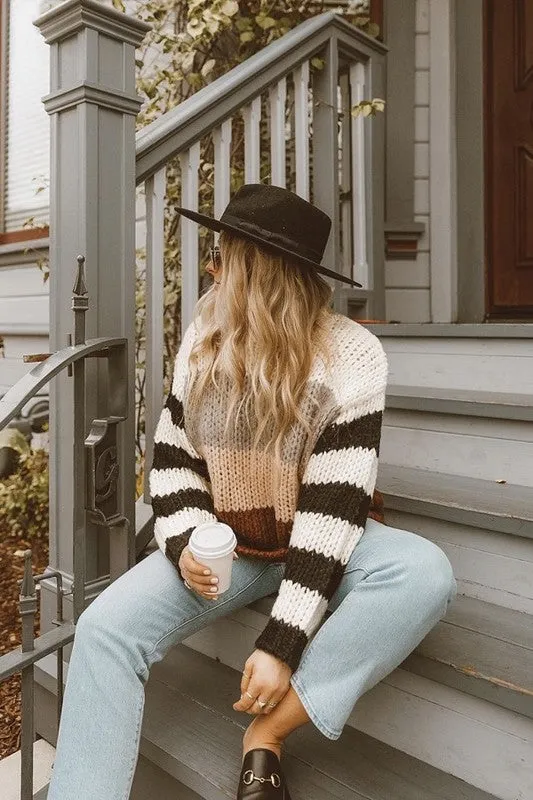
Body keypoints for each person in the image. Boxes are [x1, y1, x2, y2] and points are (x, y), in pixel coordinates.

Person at [47, 184, 457, 800]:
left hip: (322, 537)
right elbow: (173, 458)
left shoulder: (352, 357)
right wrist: (185, 541)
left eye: (221, 256)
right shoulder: (205, 336)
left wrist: (282, 643)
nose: (211, 268)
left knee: (425, 572)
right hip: (231, 547)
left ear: (257, 271)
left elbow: (331, 513)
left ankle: (265, 735)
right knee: (105, 628)